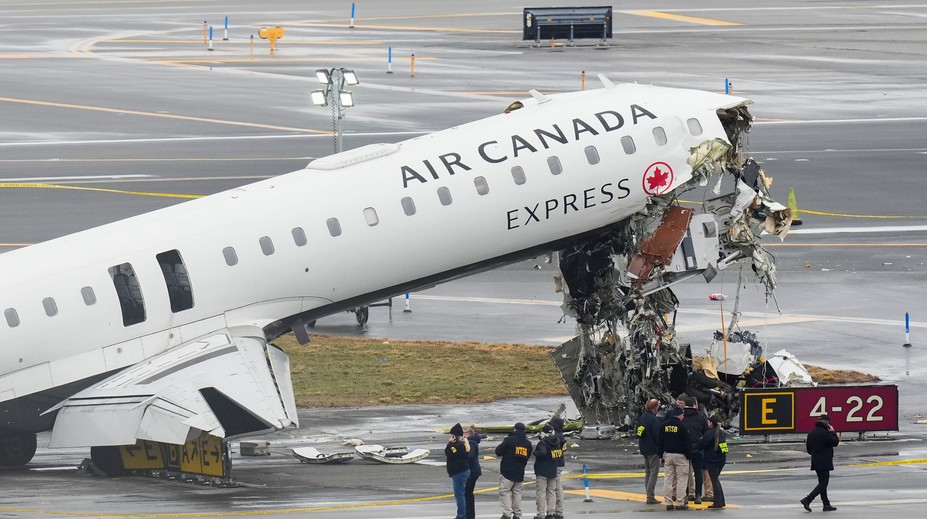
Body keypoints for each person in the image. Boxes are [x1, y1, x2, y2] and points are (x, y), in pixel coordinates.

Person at [801, 414, 839, 512]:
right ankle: (808, 499)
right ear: (827, 423)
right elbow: (835, 442)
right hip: (824, 461)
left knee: (822, 483)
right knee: (823, 484)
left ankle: (826, 504)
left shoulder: (811, 433)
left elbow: (809, 450)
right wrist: (833, 432)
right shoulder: (826, 433)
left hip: (815, 461)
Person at [496, 422, 533, 519]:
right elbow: (527, 456)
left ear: (514, 429)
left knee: (505, 492)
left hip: (507, 471)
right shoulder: (528, 444)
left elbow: (498, 451)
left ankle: (507, 514)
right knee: (517, 493)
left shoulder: (509, 440)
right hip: (520, 471)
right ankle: (517, 514)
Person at [659, 404, 691, 511]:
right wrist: (688, 455)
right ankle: (680, 502)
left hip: (668, 454)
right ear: (680, 415)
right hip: (681, 455)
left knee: (668, 479)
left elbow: (660, 441)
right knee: (682, 479)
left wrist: (660, 455)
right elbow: (687, 443)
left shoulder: (664, 426)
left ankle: (668, 502)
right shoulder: (682, 426)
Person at [697, 415, 728, 509]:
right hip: (721, 460)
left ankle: (718, 502)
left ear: (711, 423)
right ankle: (721, 501)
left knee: (714, 481)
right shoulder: (722, 433)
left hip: (711, 460)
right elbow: (724, 449)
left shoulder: (709, 433)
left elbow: (701, 445)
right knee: (716, 480)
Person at [681, 396, 708, 504]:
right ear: (694, 405)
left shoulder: (682, 416)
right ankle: (698, 495)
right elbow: (706, 432)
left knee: (684, 474)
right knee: (698, 473)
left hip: (684, 449)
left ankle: (686, 494)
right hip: (698, 448)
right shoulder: (701, 417)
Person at [637, 399, 661, 504]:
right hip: (652, 449)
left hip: (644, 448)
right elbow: (658, 436)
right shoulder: (654, 420)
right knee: (653, 473)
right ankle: (650, 496)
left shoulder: (642, 418)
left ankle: (648, 494)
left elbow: (638, 432)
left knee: (647, 473)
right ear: (655, 407)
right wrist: (661, 449)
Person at [533, 424, 559, 519]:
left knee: (541, 492)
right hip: (553, 469)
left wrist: (535, 452)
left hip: (542, 470)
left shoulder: (542, 443)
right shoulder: (556, 442)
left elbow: (542, 452)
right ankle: (551, 512)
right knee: (552, 492)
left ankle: (540, 514)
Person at [446, 422, 471, 519]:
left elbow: (449, 453)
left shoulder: (457, 445)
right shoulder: (463, 443)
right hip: (462, 471)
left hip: (459, 472)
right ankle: (462, 514)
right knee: (461, 494)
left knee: (459, 495)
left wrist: (449, 444)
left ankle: (461, 516)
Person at [549, 417, 568, 519]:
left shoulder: (555, 437)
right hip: (560, 462)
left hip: (555, 464)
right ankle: (558, 510)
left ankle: (556, 511)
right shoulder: (562, 437)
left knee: (554, 488)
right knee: (558, 487)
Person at [463, 424, 482, 519]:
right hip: (473, 470)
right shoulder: (473, 441)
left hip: (472, 471)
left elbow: (470, 455)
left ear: (468, 434)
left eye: (464, 433)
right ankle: (468, 514)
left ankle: (469, 515)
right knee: (468, 493)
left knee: (467, 493)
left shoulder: (471, 443)